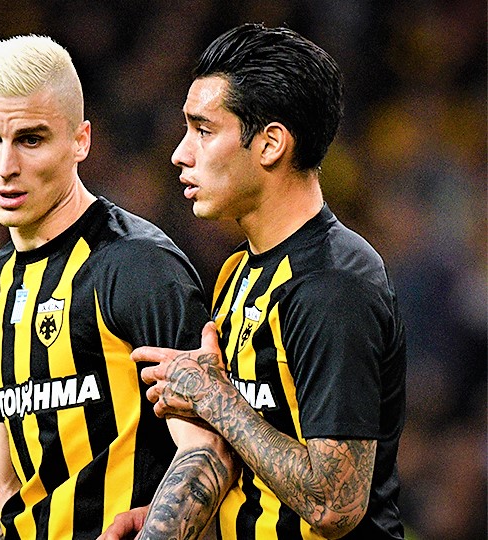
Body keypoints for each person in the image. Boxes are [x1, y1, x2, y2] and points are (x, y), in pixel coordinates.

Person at [104, 23, 407, 540]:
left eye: (203, 130)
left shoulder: (333, 286)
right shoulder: (239, 270)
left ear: (270, 144)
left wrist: (213, 397)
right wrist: (166, 516)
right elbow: (258, 455)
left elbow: (334, 504)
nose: (181, 153)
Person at [0, 34, 236, 540]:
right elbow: (0, 486)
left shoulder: (138, 267)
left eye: (31, 140)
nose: (6, 166)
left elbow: (208, 452)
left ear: (80, 141)